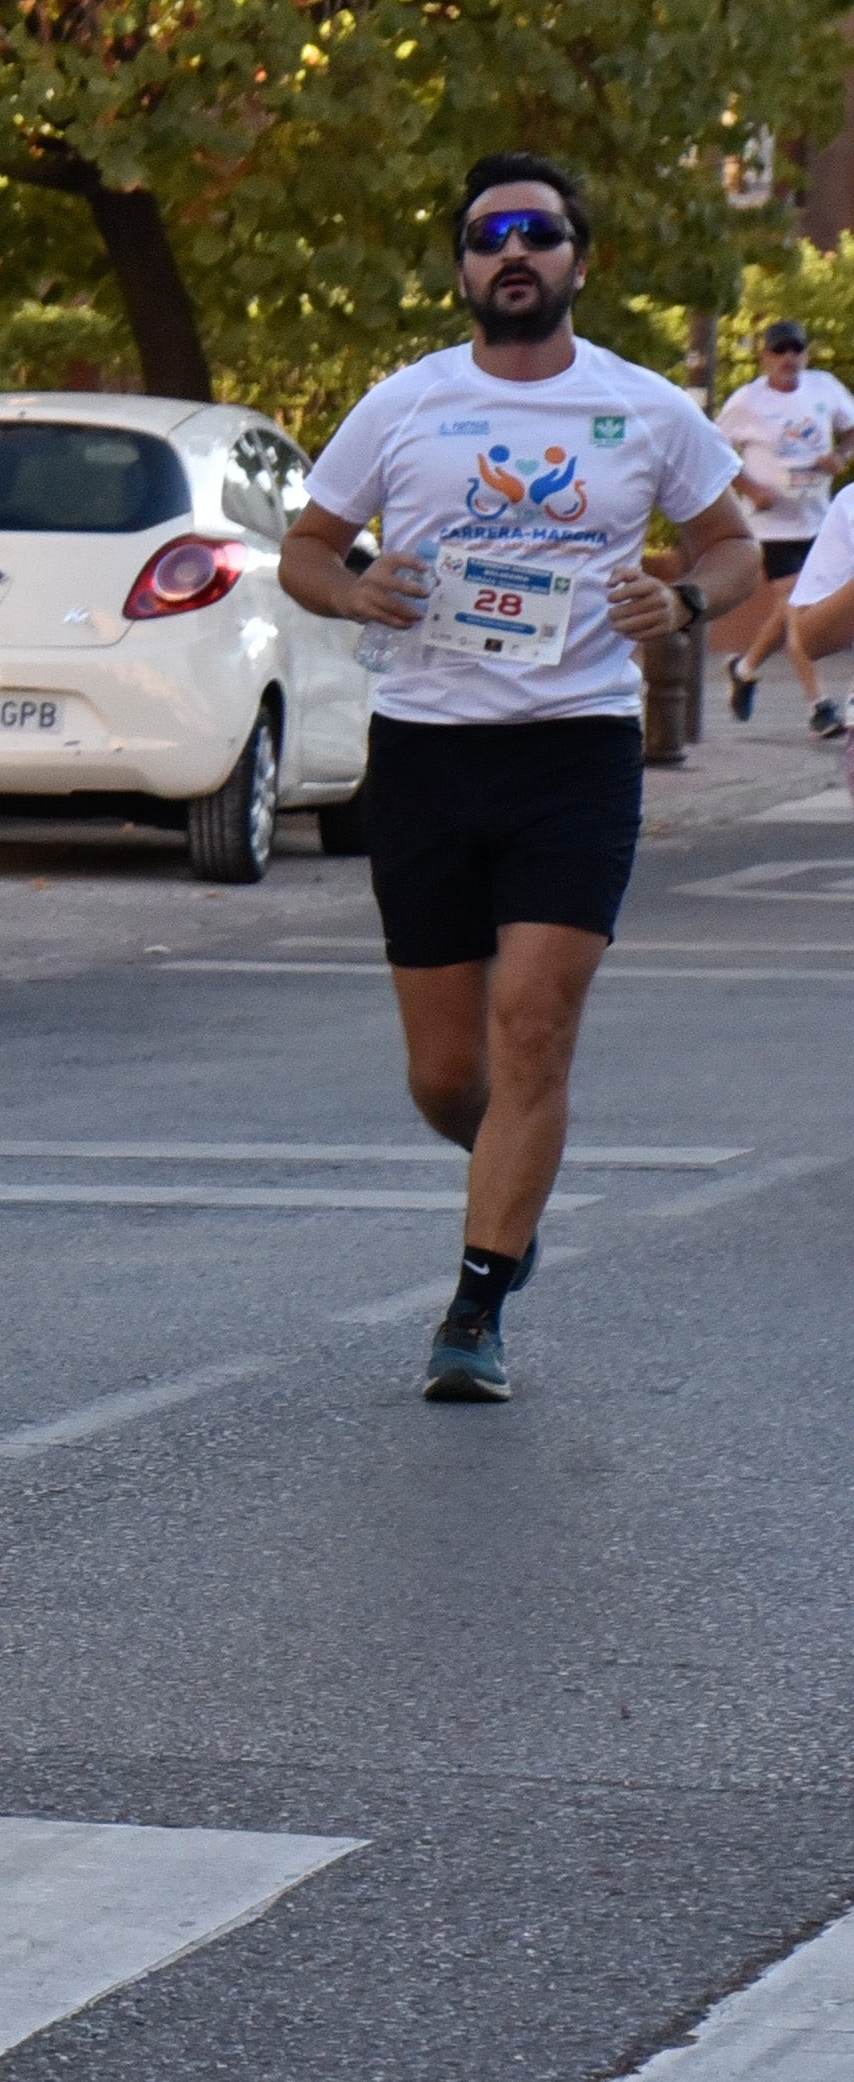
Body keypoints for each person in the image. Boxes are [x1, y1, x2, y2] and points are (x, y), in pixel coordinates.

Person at [282, 152, 754, 1403]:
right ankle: (513, 1177)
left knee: (534, 1028)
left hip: (575, 749)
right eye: (489, 236)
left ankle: (475, 1307)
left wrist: (683, 600)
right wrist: (353, 589)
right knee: (449, 1078)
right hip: (426, 750)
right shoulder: (407, 404)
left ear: (577, 260)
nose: (514, 253)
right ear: (461, 270)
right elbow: (307, 548)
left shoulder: (645, 408)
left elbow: (735, 547)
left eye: (537, 232)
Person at [712, 320, 854, 734]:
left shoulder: (825, 388)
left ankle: (745, 667)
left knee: (792, 608)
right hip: (773, 526)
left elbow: (851, 431)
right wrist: (751, 488)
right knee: (797, 607)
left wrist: (841, 457)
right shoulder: (747, 401)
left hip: (819, 520)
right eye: (780, 350)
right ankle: (819, 706)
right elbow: (714, 451)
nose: (789, 358)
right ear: (765, 356)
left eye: (797, 349)